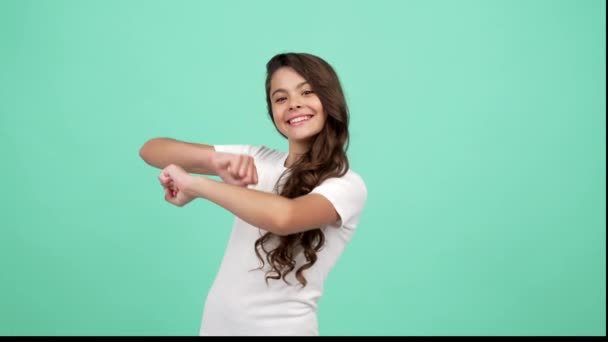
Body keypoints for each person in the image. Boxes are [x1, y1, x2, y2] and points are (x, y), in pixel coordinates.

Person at [139, 52, 368, 336]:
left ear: (329, 100)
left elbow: (285, 216)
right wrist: (214, 162)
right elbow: (151, 150)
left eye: (307, 92)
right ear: (272, 110)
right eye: (280, 98)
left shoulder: (345, 185)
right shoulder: (257, 159)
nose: (294, 104)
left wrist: (198, 185)